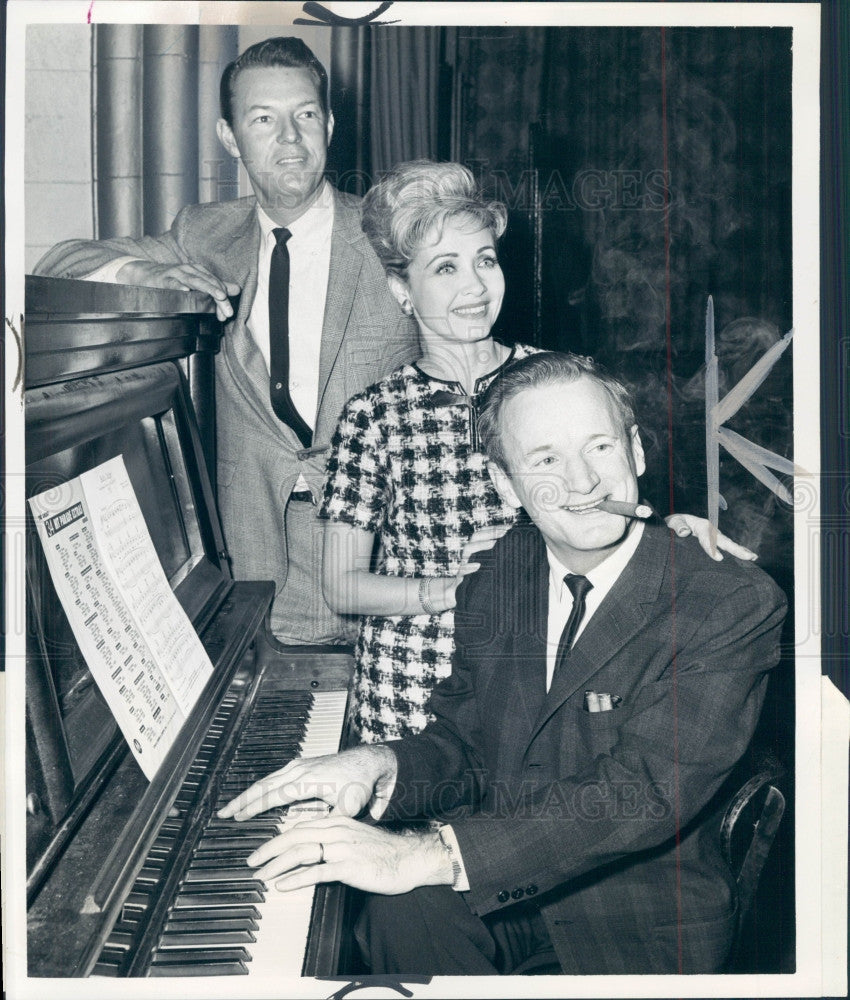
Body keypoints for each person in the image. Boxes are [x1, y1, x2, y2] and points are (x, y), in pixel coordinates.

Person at [218, 351, 788, 976]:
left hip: (635, 929)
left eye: (600, 447)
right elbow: (466, 740)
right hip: (512, 893)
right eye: (545, 460)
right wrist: (381, 764)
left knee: (408, 876)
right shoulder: (497, 575)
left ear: (637, 452)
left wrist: (426, 854)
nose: (582, 483)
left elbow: (642, 792)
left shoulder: (728, 599)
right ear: (505, 484)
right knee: (393, 910)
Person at [318, 159, 757, 743]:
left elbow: (613, 510)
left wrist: (677, 532)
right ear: (402, 288)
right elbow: (341, 584)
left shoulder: (558, 382)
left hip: (537, 685)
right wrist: (446, 588)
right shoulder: (373, 415)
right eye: (445, 268)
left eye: (485, 260)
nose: (474, 287)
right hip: (410, 693)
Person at [33, 36, 419, 645]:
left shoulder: (391, 231)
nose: (290, 138)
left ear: (330, 124)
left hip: (385, 560)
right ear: (229, 138)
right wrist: (142, 271)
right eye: (264, 119)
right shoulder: (204, 233)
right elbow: (60, 263)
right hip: (252, 562)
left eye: (306, 115)